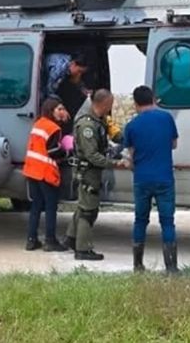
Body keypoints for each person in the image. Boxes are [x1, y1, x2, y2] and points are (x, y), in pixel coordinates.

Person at [64, 89, 127, 260]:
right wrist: (114, 163)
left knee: (83, 205)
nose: (112, 107)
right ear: (104, 103)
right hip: (87, 171)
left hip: (91, 171)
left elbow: (114, 135)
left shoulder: (99, 120)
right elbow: (92, 155)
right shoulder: (87, 126)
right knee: (88, 211)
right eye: (111, 103)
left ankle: (71, 239)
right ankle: (83, 250)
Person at [124, 85, 180, 273]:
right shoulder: (166, 118)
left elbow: (131, 156)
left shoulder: (131, 125)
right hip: (164, 178)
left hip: (142, 179)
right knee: (167, 221)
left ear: (135, 102)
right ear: (153, 99)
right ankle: (171, 267)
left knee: (140, 220)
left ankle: (137, 265)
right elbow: (174, 144)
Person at [22, 97, 70, 252]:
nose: (62, 112)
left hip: (32, 170)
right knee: (50, 207)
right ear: (52, 111)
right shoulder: (53, 129)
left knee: (36, 205)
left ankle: (31, 240)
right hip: (45, 172)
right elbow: (53, 151)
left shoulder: (38, 124)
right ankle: (50, 240)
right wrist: (67, 152)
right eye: (60, 109)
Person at [51, 53, 90, 136]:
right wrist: (61, 109)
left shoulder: (70, 68)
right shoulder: (57, 69)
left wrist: (83, 90)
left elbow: (77, 82)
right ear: (73, 64)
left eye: (82, 73)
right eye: (79, 71)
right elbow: (50, 93)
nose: (79, 75)